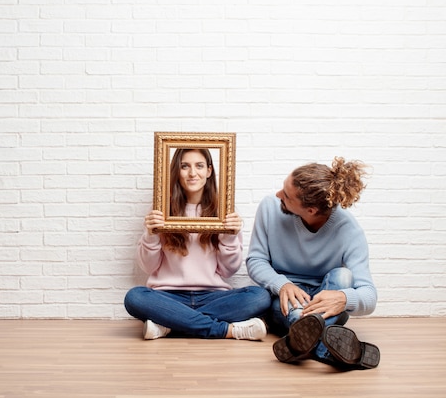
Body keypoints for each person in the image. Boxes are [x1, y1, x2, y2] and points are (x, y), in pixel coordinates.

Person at [246, 157, 380, 370]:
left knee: (344, 277)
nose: (278, 195)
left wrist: (344, 298)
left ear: (311, 211)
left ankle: (297, 342)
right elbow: (256, 259)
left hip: (326, 300)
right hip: (286, 299)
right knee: (297, 313)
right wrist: (282, 284)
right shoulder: (269, 207)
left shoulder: (349, 231)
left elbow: (369, 296)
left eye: (287, 196)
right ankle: (343, 353)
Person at [124, 148, 271, 340]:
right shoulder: (161, 210)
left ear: (209, 171)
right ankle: (229, 331)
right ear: (177, 171)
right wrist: (151, 234)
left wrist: (230, 236)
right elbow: (149, 266)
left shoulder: (223, 211)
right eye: (185, 166)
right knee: (135, 297)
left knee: (260, 296)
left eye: (199, 166)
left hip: (212, 296)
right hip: (168, 296)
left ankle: (170, 324)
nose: (193, 173)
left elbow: (229, 271)